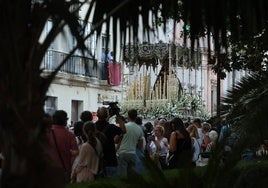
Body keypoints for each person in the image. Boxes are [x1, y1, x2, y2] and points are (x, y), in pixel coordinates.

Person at [47, 110, 78, 182]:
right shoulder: (70, 135)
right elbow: (75, 152)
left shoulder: (47, 133)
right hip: (64, 169)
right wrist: (67, 151)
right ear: (65, 121)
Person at [95, 107, 126, 178]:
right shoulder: (111, 127)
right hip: (110, 158)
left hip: (97, 160)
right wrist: (118, 116)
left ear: (97, 115)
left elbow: (102, 122)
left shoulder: (94, 127)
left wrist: (108, 115)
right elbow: (123, 130)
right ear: (106, 115)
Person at [117, 109, 144, 177]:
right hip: (132, 153)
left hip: (122, 152)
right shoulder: (139, 129)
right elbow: (140, 145)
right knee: (131, 176)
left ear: (128, 116)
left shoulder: (124, 127)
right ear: (136, 117)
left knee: (123, 176)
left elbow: (116, 139)